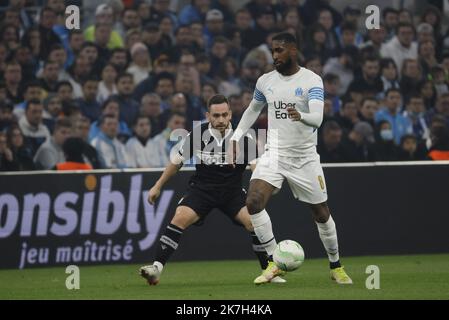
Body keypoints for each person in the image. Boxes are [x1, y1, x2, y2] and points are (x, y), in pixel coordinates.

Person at [229, 32, 353, 285]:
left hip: (305, 158)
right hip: (275, 153)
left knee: (320, 213)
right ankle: (274, 262)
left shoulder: (312, 80)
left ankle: (335, 265)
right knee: (253, 202)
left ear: (293, 51)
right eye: (273, 51)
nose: (275, 55)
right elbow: (253, 108)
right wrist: (235, 137)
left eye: (280, 51)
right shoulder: (266, 81)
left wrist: (301, 116)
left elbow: (317, 119)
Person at [139, 94, 284, 286]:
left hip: (232, 192)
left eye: (224, 115)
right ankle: (156, 268)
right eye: (216, 116)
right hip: (202, 190)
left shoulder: (244, 137)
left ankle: (268, 271)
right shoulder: (198, 135)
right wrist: (157, 186)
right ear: (208, 116)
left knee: (254, 222)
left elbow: (256, 168)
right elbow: (176, 163)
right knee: (179, 217)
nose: (221, 120)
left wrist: (264, 186)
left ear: (230, 114)